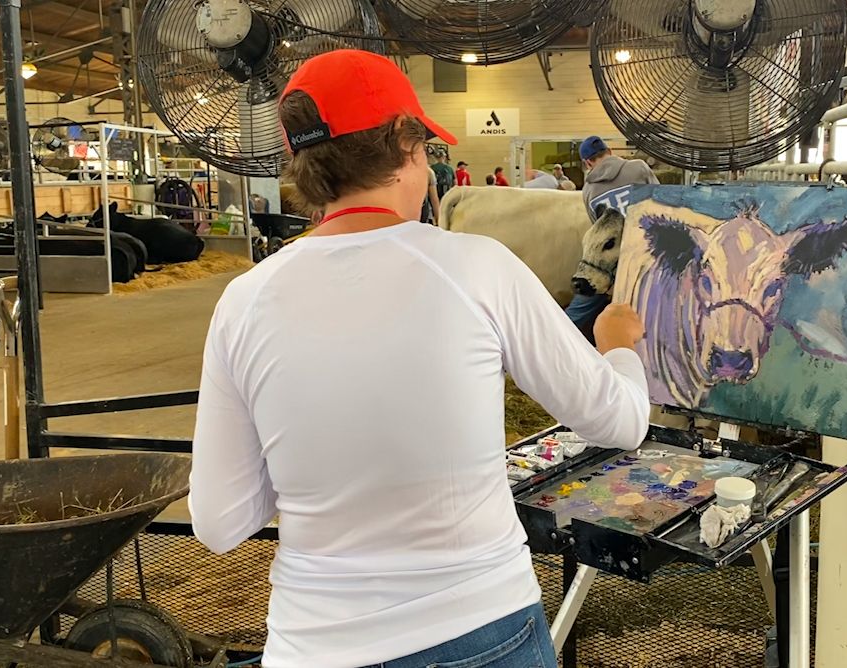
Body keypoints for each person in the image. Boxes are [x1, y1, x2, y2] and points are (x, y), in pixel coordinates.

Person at [189, 49, 650, 668]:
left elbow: (218, 522)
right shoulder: (476, 268)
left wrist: (323, 464)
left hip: (313, 645)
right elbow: (619, 421)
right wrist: (617, 345)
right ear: (407, 145)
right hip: (479, 632)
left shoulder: (243, 302)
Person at [578, 135, 659, 220]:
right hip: (648, 227)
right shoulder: (639, 167)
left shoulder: (588, 191)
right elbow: (662, 200)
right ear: (609, 151)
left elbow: (597, 225)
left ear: (587, 163)